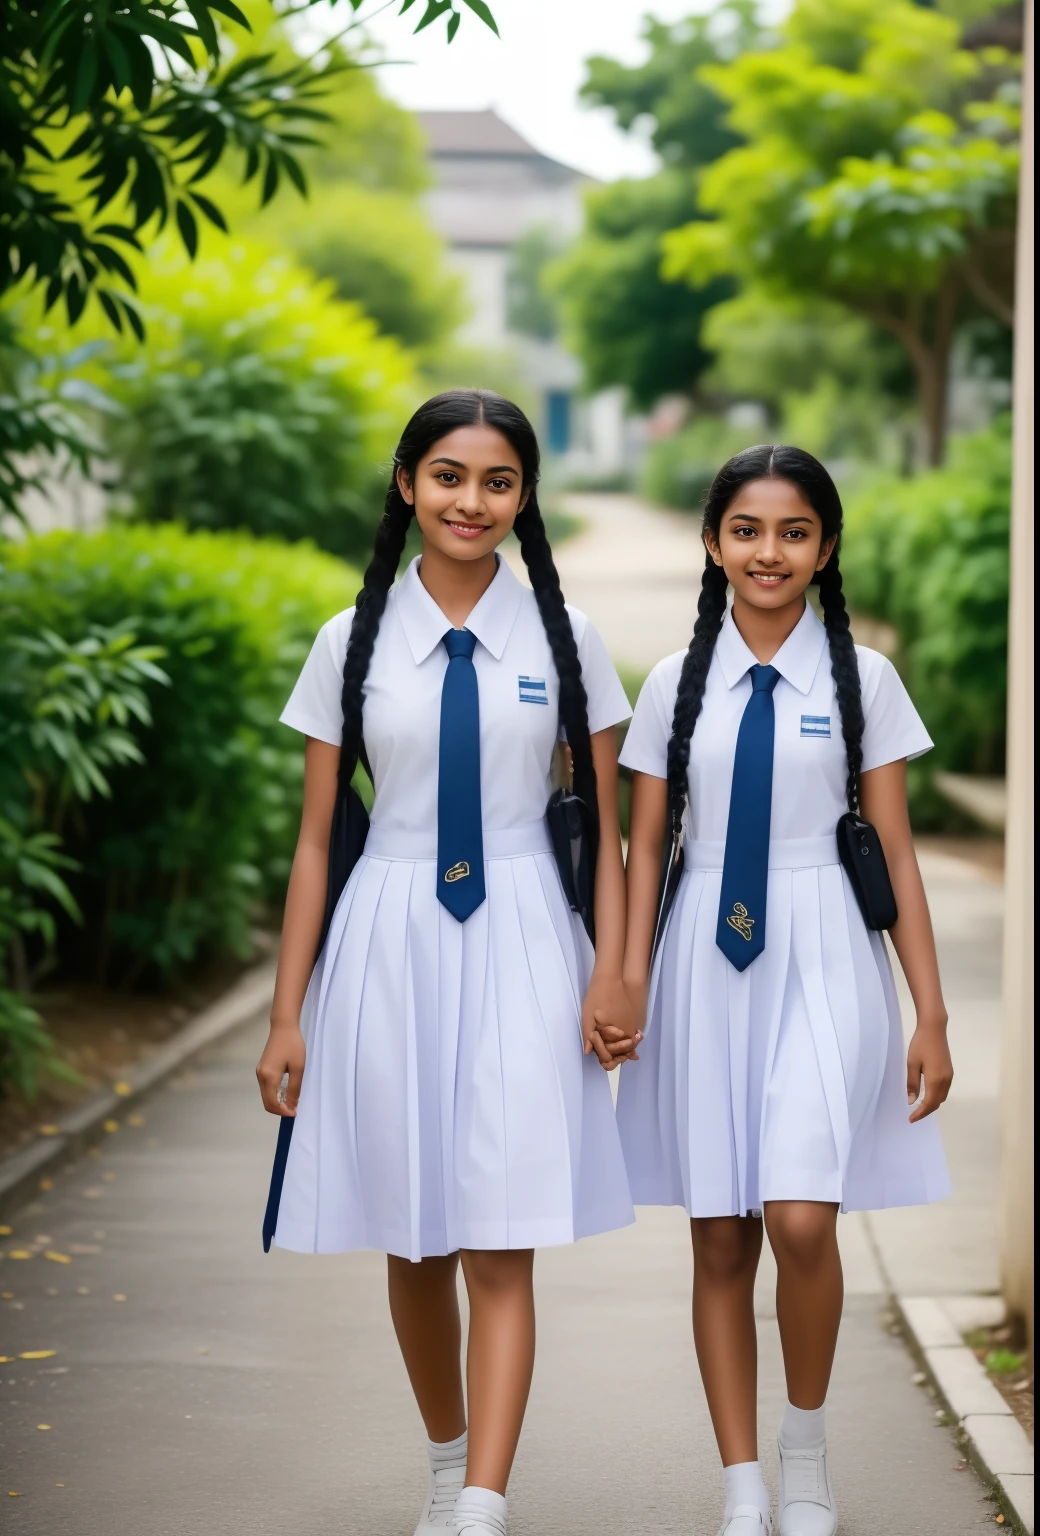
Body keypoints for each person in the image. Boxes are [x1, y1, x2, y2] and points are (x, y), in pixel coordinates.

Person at [255, 389, 637, 1536]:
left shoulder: (567, 645)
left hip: (526, 935)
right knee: (412, 1235)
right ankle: (443, 1456)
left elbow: (605, 830)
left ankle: (480, 1501)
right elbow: (318, 839)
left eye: (498, 482)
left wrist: (613, 971)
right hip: (385, 941)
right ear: (408, 485)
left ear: (524, 499)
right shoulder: (349, 639)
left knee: (498, 1230)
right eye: (449, 477)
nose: (471, 501)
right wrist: (287, 1015)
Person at [610, 445, 953, 1536]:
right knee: (719, 1236)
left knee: (801, 1218)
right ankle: (743, 1482)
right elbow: (641, 845)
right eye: (746, 531)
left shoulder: (864, 679)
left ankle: (804, 1457)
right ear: (713, 542)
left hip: (824, 953)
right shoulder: (672, 683)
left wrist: (929, 1012)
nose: (768, 552)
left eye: (793, 531)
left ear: (824, 547)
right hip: (702, 964)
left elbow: (895, 855)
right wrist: (618, 979)